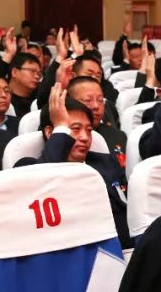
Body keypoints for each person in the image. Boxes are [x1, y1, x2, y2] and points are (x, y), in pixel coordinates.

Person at [18, 85, 132, 249]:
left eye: (89, 130)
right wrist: (61, 128)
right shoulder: (28, 167)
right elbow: (42, 185)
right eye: (75, 129)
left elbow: (125, 213)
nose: (85, 137)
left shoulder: (105, 163)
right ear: (50, 133)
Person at [7, 51, 42, 118]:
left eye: (39, 74)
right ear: (14, 72)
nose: (37, 76)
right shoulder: (4, 99)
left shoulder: (39, 100)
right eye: (32, 71)